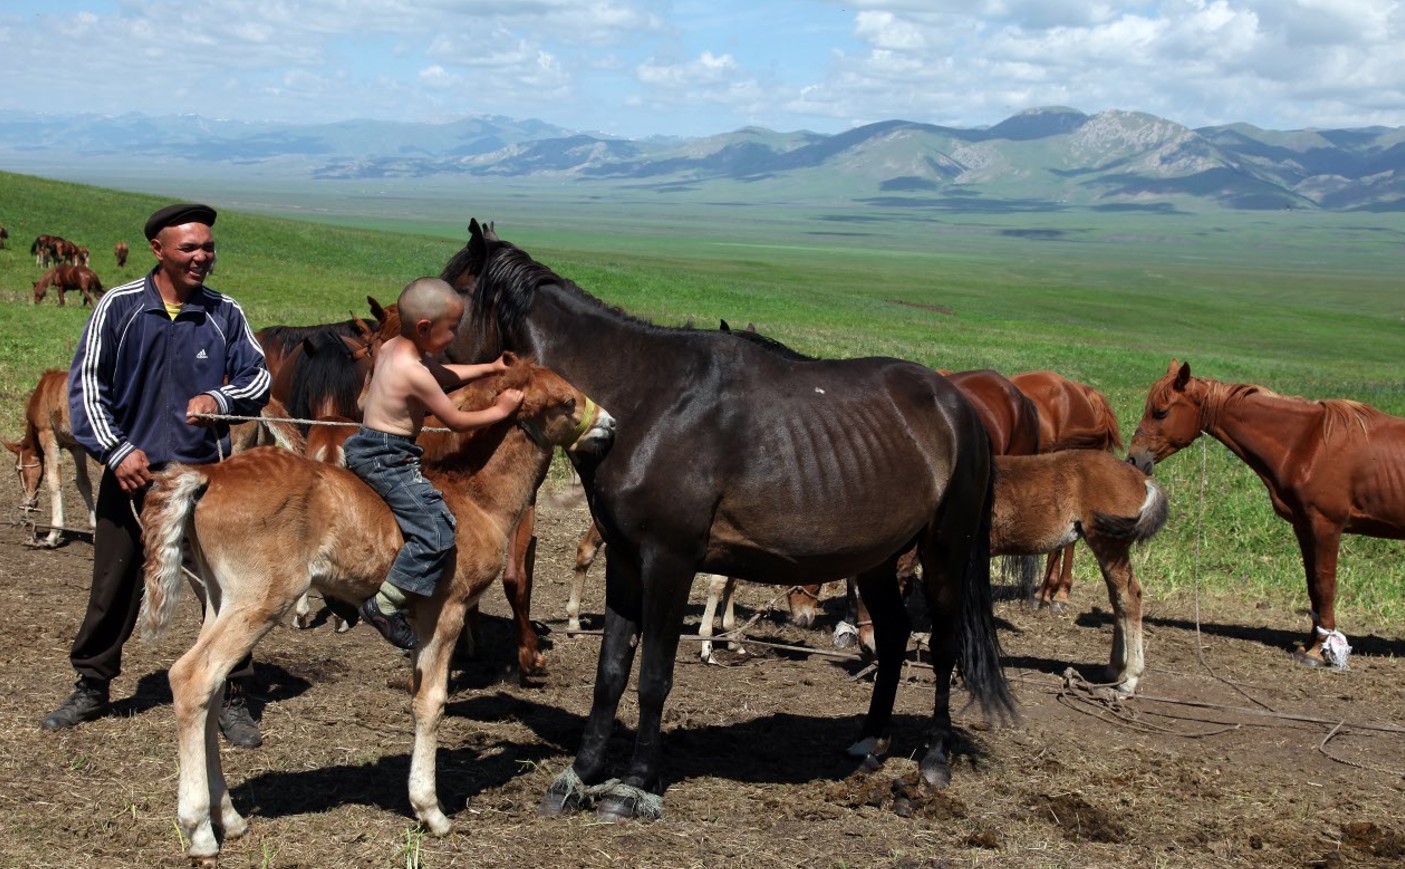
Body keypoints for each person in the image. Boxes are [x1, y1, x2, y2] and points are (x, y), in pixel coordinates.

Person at [43, 203, 272, 747]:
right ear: (158, 250)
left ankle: (232, 693)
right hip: (132, 474)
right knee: (113, 582)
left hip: (206, 479)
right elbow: (87, 387)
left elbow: (257, 377)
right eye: (189, 248)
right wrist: (116, 451)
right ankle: (92, 684)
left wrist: (220, 397)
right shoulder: (119, 308)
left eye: (208, 247)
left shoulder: (225, 313)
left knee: (223, 589)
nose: (201, 257)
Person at [346, 277, 523, 650]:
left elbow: (441, 375)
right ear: (425, 328)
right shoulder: (415, 373)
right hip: (389, 457)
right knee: (438, 529)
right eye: (452, 329)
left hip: (365, 444)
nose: (455, 336)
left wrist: (489, 367)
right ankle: (386, 603)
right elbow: (456, 420)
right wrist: (500, 410)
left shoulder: (392, 348)